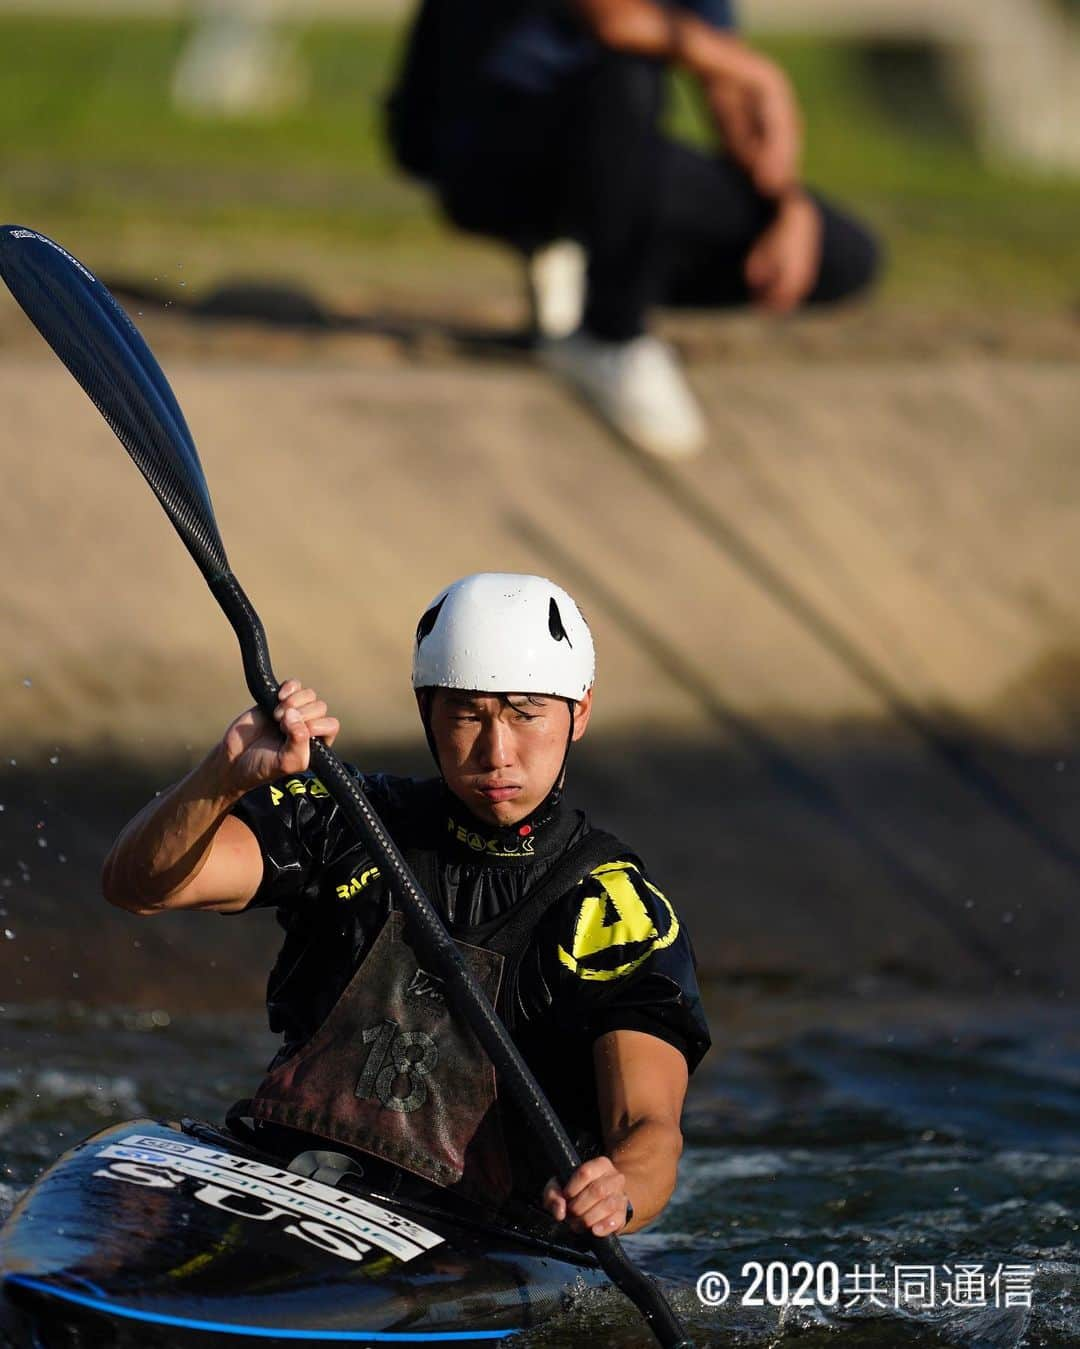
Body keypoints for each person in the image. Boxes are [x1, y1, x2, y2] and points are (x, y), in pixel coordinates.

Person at [102, 573, 710, 1238]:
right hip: (286, 1178)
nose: (496, 750)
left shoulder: (613, 911)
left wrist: (620, 1190)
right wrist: (223, 774)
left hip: (480, 1236)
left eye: (526, 712)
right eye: (466, 714)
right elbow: (141, 886)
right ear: (427, 711)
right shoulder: (345, 821)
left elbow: (647, 1128)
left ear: (580, 712)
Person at [386, 0, 881, 458]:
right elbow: (616, 21)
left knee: (840, 255)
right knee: (625, 73)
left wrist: (783, 200)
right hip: (484, 147)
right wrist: (758, 72)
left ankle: (583, 269)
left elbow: (726, 83)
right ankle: (610, 336)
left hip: (614, 158)